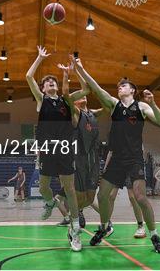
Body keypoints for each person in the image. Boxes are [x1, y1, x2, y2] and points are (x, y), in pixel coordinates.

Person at [73, 56, 160, 253]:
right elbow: (96, 87)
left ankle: (155, 236)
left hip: (134, 159)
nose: (120, 88)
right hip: (116, 158)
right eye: (119, 86)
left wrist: (154, 103)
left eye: (123, 86)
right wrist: (81, 69)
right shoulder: (114, 105)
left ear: (132, 90)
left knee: (141, 197)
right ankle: (104, 227)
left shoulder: (141, 107)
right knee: (103, 195)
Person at [26, 46, 88, 252]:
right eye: (47, 83)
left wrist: (75, 70)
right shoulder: (41, 100)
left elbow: (86, 89)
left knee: (69, 188)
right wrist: (39, 58)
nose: (50, 83)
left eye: (53, 82)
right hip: (46, 149)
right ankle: (50, 203)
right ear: (43, 89)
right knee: (44, 187)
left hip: (64, 148)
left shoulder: (66, 101)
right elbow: (28, 76)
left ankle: (75, 228)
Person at [59, 60, 102, 229]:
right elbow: (65, 94)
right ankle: (74, 220)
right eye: (78, 96)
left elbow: (104, 104)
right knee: (79, 195)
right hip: (79, 160)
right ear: (75, 103)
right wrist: (66, 74)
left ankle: (77, 212)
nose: (82, 95)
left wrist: (78, 70)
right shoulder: (75, 115)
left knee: (91, 198)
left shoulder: (93, 113)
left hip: (94, 160)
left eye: (83, 95)